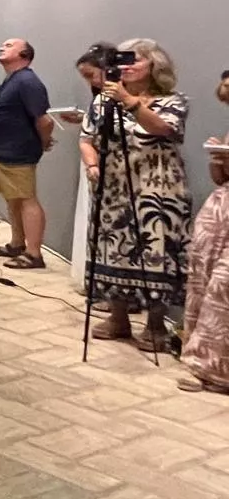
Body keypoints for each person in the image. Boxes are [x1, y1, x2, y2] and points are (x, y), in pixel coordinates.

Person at [83, 39, 192, 350]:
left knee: (156, 250)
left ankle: (155, 325)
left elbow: (162, 128)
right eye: (123, 60)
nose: (127, 66)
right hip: (114, 187)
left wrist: (129, 100)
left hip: (159, 188)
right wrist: (92, 164)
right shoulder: (104, 101)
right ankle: (119, 319)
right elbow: (87, 137)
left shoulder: (173, 100)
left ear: (154, 66)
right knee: (114, 247)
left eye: (136, 60)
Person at [0, 38, 54, 268]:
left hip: (18, 151)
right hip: (3, 151)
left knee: (26, 199)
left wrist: (42, 143)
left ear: (25, 55)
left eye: (10, 45)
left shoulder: (27, 81)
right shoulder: (13, 79)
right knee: (13, 199)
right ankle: (17, 243)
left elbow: (45, 121)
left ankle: (34, 254)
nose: (3, 46)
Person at [181, 71, 229, 393]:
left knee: (224, 287)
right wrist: (218, 157)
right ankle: (205, 362)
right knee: (204, 277)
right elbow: (219, 178)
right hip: (222, 209)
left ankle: (220, 370)